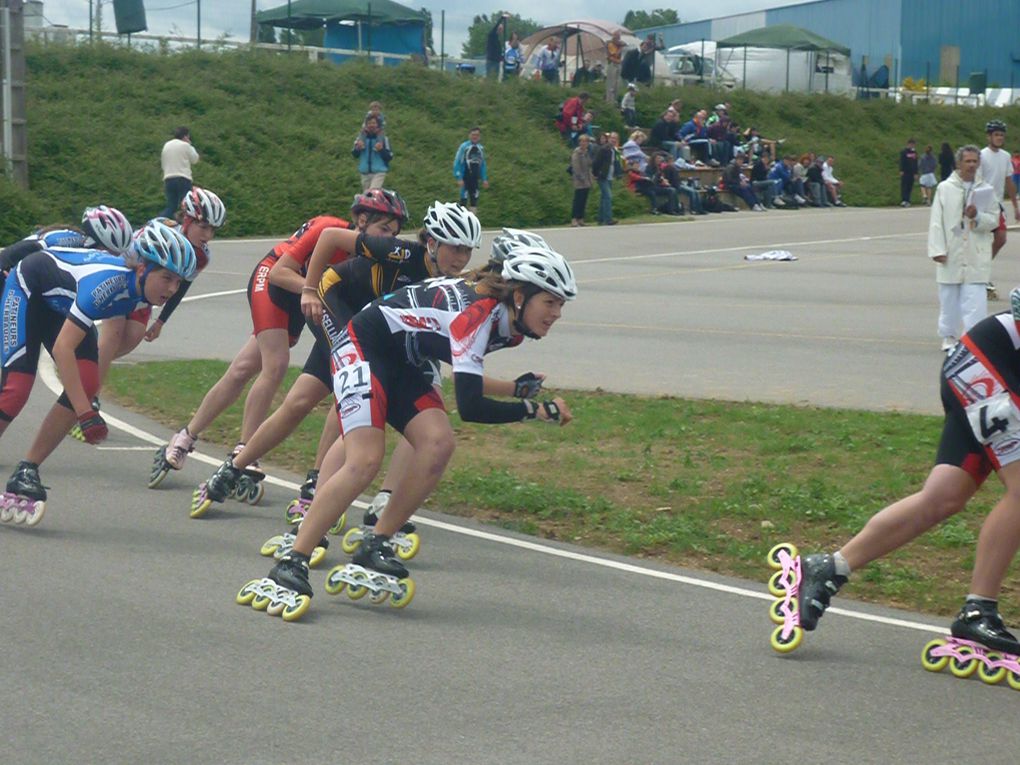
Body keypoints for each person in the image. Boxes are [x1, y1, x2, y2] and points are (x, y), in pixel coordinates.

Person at [242, 245, 576, 618]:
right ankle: (293, 561)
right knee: (365, 460)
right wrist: (532, 409)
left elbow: (469, 374)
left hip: (402, 359)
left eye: (561, 304)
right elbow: (470, 405)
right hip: (363, 345)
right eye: (550, 302)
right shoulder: (478, 316)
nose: (557, 313)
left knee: (438, 443)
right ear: (520, 295)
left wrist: (517, 390)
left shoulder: (508, 327)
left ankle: (376, 542)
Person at [193, 198, 487, 521]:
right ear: (431, 242)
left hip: (371, 327)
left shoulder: (449, 278)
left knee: (299, 401)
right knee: (356, 392)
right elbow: (330, 237)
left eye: (467, 251)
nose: (461, 258)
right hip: (335, 301)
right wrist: (308, 290)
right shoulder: (400, 252)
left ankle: (234, 469)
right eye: (455, 248)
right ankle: (311, 485)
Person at [790, 297, 1020, 661]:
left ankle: (829, 567)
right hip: (990, 360)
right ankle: (978, 611)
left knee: (944, 496)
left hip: (987, 362)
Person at [152, 208, 371, 491]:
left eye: (393, 232)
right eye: (383, 230)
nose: (387, 238)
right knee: (277, 363)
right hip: (274, 279)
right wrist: (315, 292)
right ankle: (244, 449)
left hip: (300, 297)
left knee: (242, 368)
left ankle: (185, 435)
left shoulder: (373, 257)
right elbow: (281, 273)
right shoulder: (328, 229)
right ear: (362, 222)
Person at [0, 221, 195, 525]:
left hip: (57, 303)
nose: (172, 288)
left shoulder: (142, 290)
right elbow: (64, 349)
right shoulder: (109, 284)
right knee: (16, 390)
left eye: (178, 281)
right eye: (166, 277)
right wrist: (84, 413)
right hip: (26, 289)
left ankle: (27, 469)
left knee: (88, 381)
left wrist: (84, 403)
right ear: (142, 269)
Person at [930, 145, 999, 352]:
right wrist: (937, 249)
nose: (971, 165)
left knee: (975, 299)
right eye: (967, 161)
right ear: (959, 163)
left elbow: (993, 220)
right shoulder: (945, 188)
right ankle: (948, 336)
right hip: (951, 251)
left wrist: (976, 216)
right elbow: (936, 221)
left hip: (976, 253)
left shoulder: (986, 189)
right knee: (949, 297)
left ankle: (973, 339)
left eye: (974, 161)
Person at [980, 120, 1020, 262]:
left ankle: (985, 265)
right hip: (983, 205)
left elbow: (1009, 181)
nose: (999, 138)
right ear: (989, 137)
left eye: (1002, 135)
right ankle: (978, 268)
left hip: (997, 205)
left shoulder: (1005, 156)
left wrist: (1016, 206)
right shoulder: (981, 155)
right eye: (996, 135)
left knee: (1001, 238)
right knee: (981, 241)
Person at [160, 126, 199, 218]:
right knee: (186, 206)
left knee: (171, 206)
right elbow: (195, 159)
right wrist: (190, 145)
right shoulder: (185, 145)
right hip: (183, 179)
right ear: (186, 136)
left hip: (168, 178)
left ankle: (159, 221)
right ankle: (184, 228)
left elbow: (163, 163)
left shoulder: (166, 145)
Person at [352, 115, 392, 192]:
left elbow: (389, 157)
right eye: (369, 123)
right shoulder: (360, 138)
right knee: (367, 198)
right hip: (365, 173)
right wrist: (358, 148)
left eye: (374, 123)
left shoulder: (383, 139)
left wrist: (381, 150)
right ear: (366, 125)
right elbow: (355, 154)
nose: (371, 125)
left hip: (378, 172)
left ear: (378, 125)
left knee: (372, 193)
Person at [453, 127, 489, 212]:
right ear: (469, 135)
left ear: (479, 136)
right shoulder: (464, 147)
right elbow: (457, 162)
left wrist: (484, 179)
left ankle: (472, 221)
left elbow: (482, 165)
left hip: (475, 178)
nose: (475, 137)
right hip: (465, 177)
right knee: (463, 199)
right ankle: (461, 220)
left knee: (474, 199)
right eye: (473, 135)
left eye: (477, 135)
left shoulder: (481, 148)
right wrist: (459, 177)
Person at [592, 131, 621, 225]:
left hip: (610, 175)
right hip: (603, 175)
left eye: (615, 138)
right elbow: (596, 162)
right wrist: (595, 173)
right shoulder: (604, 149)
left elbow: (617, 162)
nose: (613, 140)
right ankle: (608, 219)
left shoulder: (615, 151)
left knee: (604, 197)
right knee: (608, 196)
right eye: (612, 138)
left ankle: (600, 219)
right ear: (609, 139)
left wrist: (618, 173)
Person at [570, 134, 594, 226]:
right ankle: (574, 218)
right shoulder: (577, 153)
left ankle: (580, 218)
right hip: (579, 180)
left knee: (584, 200)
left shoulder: (587, 153)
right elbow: (576, 167)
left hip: (587, 180)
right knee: (578, 200)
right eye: (582, 141)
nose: (584, 143)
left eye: (586, 141)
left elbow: (589, 165)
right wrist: (582, 178)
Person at [605, 30, 627, 105]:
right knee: (611, 85)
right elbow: (615, 55)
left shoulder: (618, 44)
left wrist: (621, 45)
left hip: (618, 64)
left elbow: (624, 44)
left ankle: (615, 100)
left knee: (616, 85)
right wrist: (621, 48)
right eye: (618, 37)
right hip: (612, 64)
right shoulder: (610, 44)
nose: (619, 39)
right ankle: (609, 102)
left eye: (619, 37)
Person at [485, 14, 508, 80]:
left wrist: (502, 58)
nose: (501, 31)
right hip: (491, 61)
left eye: (502, 30)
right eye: (500, 29)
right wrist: (501, 19)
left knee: (495, 79)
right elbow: (495, 28)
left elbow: (498, 52)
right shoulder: (491, 36)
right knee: (490, 78)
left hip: (497, 62)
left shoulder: (498, 40)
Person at [899, 138, 918, 207]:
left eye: (914, 145)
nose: (913, 146)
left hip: (912, 173)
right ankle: (904, 200)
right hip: (905, 172)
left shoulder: (914, 153)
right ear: (909, 144)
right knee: (904, 186)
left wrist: (916, 173)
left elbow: (915, 163)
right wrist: (901, 170)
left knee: (910, 186)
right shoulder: (904, 152)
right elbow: (902, 161)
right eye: (912, 144)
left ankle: (908, 200)